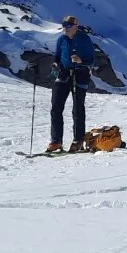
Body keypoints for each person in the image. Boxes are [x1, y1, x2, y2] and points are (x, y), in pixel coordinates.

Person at [47, 15, 96, 153]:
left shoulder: (85, 39)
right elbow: (57, 55)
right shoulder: (61, 39)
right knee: (56, 107)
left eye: (68, 26)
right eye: (64, 25)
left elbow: (92, 60)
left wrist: (81, 61)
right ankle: (56, 141)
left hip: (80, 74)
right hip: (63, 74)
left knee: (77, 108)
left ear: (76, 26)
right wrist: (56, 64)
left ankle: (78, 140)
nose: (65, 28)